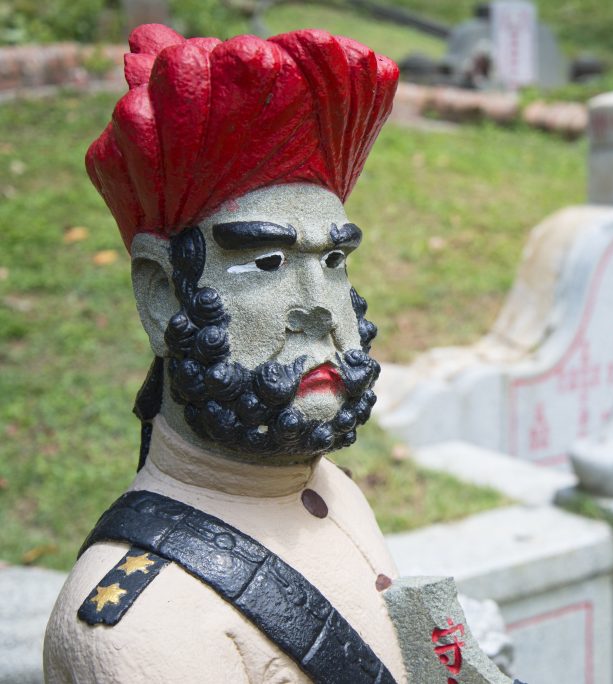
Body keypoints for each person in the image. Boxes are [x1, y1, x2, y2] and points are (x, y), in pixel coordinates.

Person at [44, 24, 408, 683]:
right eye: (266, 262)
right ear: (162, 296)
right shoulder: (150, 629)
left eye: (332, 260)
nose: (319, 304)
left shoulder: (335, 491)